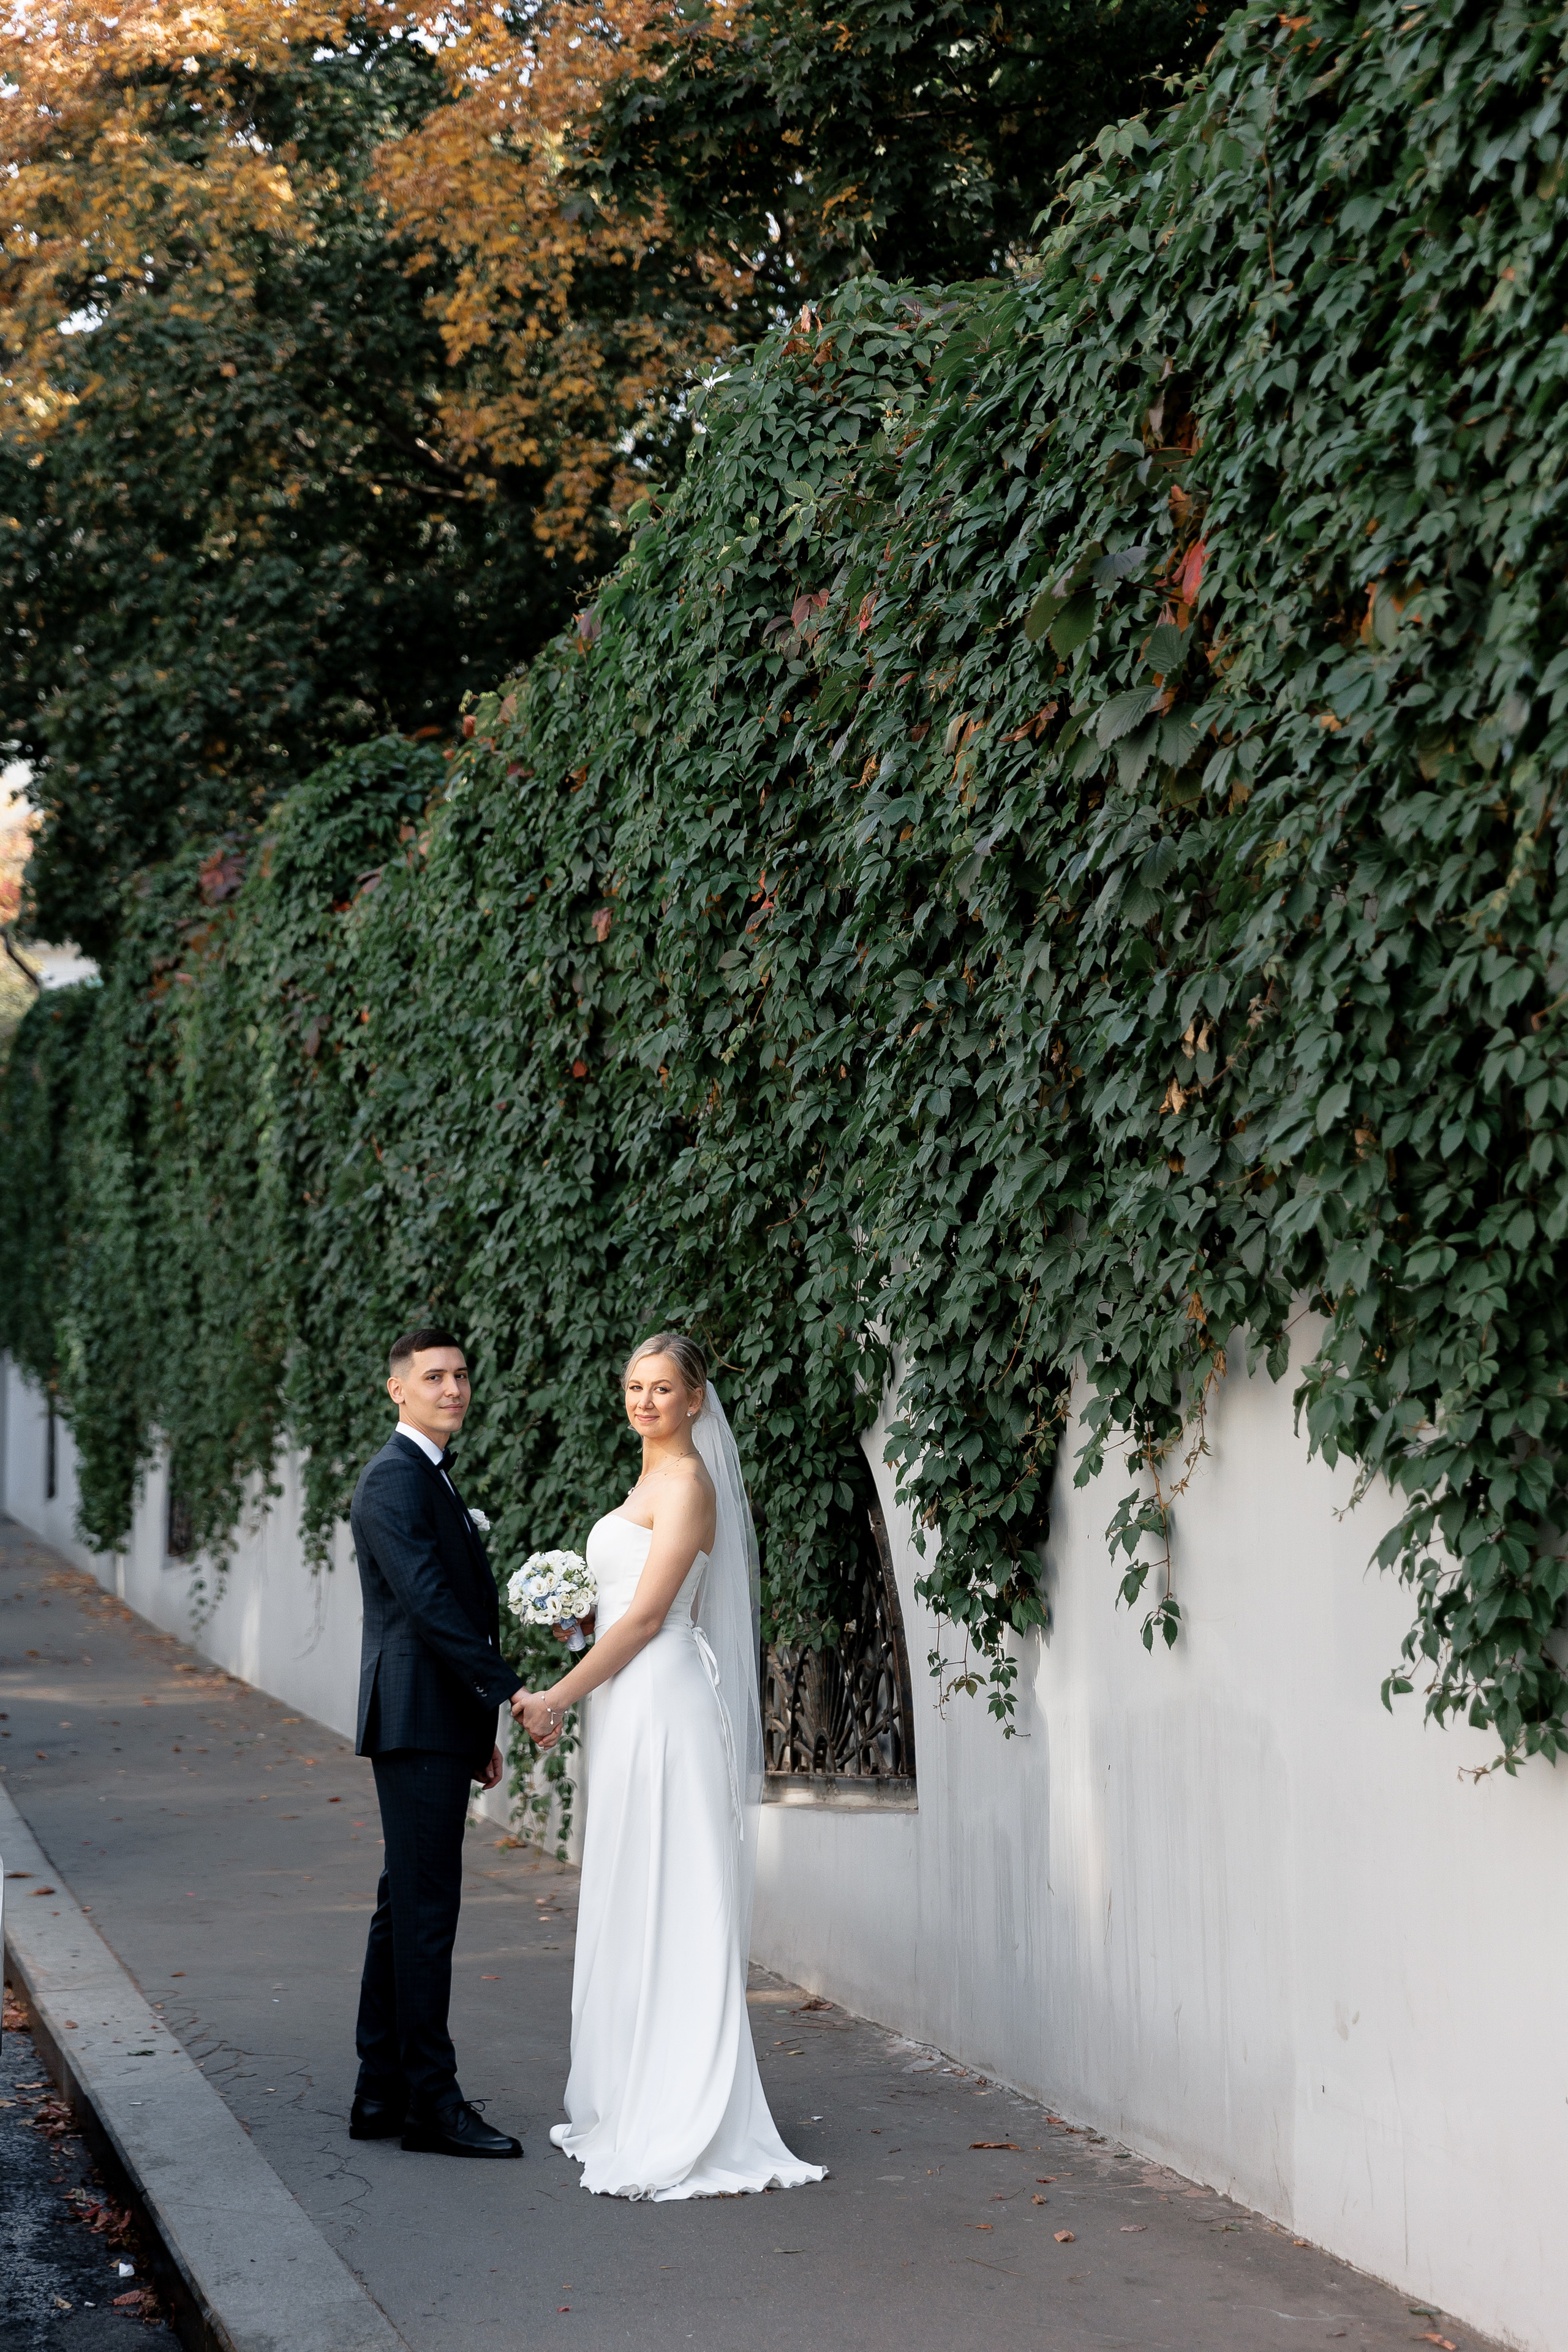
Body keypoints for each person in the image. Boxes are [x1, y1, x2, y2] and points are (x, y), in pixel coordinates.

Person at [513, 1332, 826, 2199]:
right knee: (629, 1887)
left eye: (662, 1388)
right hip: (624, 1702)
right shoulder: (645, 1481)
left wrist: (555, 1697)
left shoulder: (689, 1485)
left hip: (664, 1703)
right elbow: (617, 1611)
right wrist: (573, 1627)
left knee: (673, 1891)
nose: (644, 1401)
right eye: (633, 1386)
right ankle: (627, 2092)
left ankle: (685, 2108)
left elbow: (650, 1619)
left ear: (696, 1399)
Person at [349, 1327, 525, 2158]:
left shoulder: (429, 1477)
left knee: (404, 1905)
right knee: (425, 1915)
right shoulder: (393, 1480)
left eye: (459, 1375)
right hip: (417, 1720)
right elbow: (427, 1604)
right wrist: (508, 1691)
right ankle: (431, 2103)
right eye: (434, 1377)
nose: (452, 1388)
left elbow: (452, 1603)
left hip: (437, 1723)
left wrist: (477, 1729)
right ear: (399, 1390)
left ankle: (380, 2090)